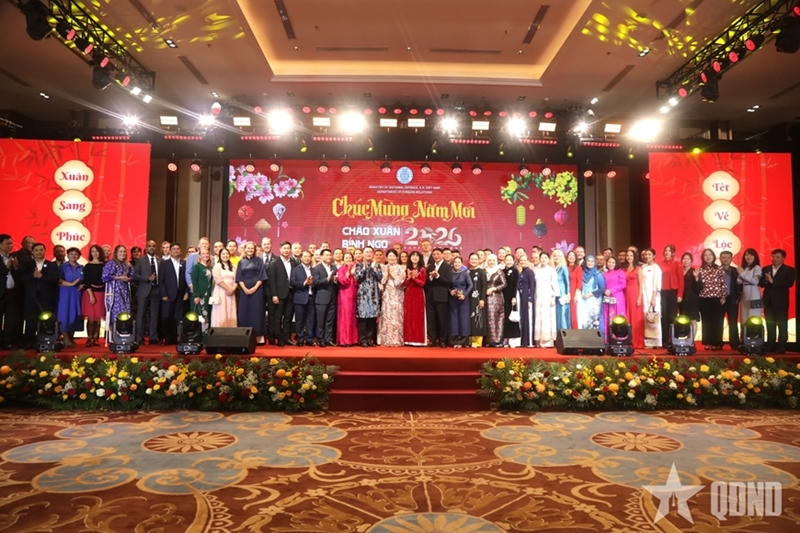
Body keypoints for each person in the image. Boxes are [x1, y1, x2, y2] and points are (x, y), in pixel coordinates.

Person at [21, 243, 60, 349]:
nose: (39, 252)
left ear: (45, 251)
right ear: (32, 252)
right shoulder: (27, 264)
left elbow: (55, 279)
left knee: (46, 321)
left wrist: (42, 276)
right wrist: (33, 276)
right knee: (30, 320)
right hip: (31, 298)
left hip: (46, 298)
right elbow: (22, 279)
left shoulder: (51, 265)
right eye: (36, 250)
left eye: (41, 250)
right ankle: (29, 342)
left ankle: (46, 342)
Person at [760, 248, 796, 354]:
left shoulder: (789, 270)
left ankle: (782, 346)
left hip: (781, 302)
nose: (774, 259)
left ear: (783, 258)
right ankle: (770, 345)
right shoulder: (766, 269)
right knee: (770, 324)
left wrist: (773, 281)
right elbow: (761, 283)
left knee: (782, 324)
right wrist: (766, 281)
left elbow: (789, 283)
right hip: (768, 301)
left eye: (777, 257)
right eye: (773, 257)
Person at [236, 242, 268, 344]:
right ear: (245, 249)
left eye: (252, 248)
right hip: (244, 291)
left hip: (257, 291)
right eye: (248, 248)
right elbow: (239, 277)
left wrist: (255, 287)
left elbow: (262, 276)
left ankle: (259, 337)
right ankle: (244, 336)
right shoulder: (241, 262)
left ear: (254, 250)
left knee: (257, 312)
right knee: (244, 312)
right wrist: (244, 289)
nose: (250, 250)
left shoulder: (259, 261)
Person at [102, 245, 135, 342]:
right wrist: (119, 278)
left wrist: (128, 279)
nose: (122, 253)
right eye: (120, 251)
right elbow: (104, 277)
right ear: (116, 253)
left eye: (124, 251)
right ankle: (113, 336)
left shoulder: (127, 264)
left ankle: (124, 335)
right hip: (114, 291)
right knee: (116, 313)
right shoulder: (110, 264)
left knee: (126, 312)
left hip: (125, 292)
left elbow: (132, 277)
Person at [697, 248, 727, 350]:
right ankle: (707, 342)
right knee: (706, 321)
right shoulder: (700, 269)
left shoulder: (719, 268)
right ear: (703, 257)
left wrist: (723, 296)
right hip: (703, 298)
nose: (708, 257)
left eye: (710, 255)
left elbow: (723, 283)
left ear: (713, 257)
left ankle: (715, 342)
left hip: (716, 298)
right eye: (705, 255)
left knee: (716, 321)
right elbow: (698, 285)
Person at [268, 241, 297, 346]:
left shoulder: (294, 262)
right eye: (284, 248)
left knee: (288, 317)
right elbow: (272, 281)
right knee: (278, 318)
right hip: (279, 294)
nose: (286, 250)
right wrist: (274, 295)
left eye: (288, 248)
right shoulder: (274, 263)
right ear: (280, 249)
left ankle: (286, 337)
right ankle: (278, 338)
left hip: (291, 293)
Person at [158, 242, 188, 345]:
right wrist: (163, 294)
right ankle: (168, 337)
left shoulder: (184, 263)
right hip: (168, 295)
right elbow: (161, 280)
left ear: (181, 251)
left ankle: (176, 337)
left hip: (181, 295)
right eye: (174, 249)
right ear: (170, 251)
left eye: (178, 249)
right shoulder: (164, 263)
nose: (176, 251)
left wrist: (187, 292)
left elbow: (187, 279)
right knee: (166, 317)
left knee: (178, 317)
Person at [354, 246, 383, 347]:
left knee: (372, 317)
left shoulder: (377, 265)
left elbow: (380, 278)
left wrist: (374, 269)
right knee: (363, 317)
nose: (368, 254)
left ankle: (369, 339)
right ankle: (363, 340)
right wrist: (364, 268)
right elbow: (358, 277)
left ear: (373, 254)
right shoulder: (359, 265)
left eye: (370, 252)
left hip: (374, 295)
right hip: (363, 295)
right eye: (366, 252)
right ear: (363, 254)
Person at [134, 240, 161, 345]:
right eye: (149, 246)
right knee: (141, 315)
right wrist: (147, 278)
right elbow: (135, 275)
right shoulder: (140, 260)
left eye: (153, 246)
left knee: (154, 315)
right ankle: (140, 338)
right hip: (143, 290)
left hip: (156, 290)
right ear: (146, 247)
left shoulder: (160, 260)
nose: (151, 247)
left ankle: (153, 337)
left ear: (156, 247)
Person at [378, 249, 405, 347]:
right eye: (390, 256)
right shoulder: (383, 267)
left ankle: (397, 339)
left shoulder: (401, 268)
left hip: (397, 294)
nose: (392, 258)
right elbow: (381, 282)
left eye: (393, 256)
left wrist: (392, 275)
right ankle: (386, 339)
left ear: (397, 257)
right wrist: (385, 275)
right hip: (387, 294)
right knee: (387, 315)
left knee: (397, 316)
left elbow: (400, 282)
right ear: (387, 257)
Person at [57, 247, 84, 348]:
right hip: (65, 293)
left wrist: (83, 285)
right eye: (71, 254)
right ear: (67, 255)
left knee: (75, 315)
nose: (73, 256)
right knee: (65, 315)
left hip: (77, 293)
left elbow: (84, 280)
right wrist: (71, 284)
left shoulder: (81, 267)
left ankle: (71, 338)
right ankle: (65, 339)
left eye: (76, 254)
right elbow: (58, 280)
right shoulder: (63, 267)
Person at [425, 248, 452, 348]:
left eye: (438, 254)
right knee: (431, 320)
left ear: (442, 255)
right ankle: (432, 340)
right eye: (434, 254)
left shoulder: (447, 266)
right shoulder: (430, 266)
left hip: (441, 297)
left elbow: (448, 281)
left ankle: (442, 340)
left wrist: (437, 276)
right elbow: (426, 281)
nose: (436, 256)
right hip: (430, 296)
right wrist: (431, 277)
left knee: (442, 320)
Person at [659, 244, 684, 347]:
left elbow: (681, 280)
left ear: (673, 253)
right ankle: (664, 340)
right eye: (666, 250)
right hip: (662, 292)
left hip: (673, 292)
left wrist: (680, 294)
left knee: (672, 316)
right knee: (663, 316)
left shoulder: (677, 264)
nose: (667, 252)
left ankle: (673, 339)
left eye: (669, 251)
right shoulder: (659, 264)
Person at [312, 248, 338, 347]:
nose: (329, 257)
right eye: (326, 255)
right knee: (320, 320)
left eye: (330, 255)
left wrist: (335, 280)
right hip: (321, 298)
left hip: (332, 297)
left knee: (329, 320)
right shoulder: (316, 268)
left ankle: (328, 339)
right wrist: (327, 279)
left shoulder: (334, 267)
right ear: (321, 257)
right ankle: (321, 339)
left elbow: (335, 283)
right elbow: (316, 282)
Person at [290, 250, 316, 346]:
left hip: (312, 297)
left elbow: (317, 282)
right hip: (300, 298)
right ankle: (300, 338)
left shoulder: (314, 270)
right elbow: (292, 282)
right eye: (305, 256)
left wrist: (313, 283)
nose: (307, 258)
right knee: (299, 320)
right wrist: (304, 283)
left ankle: (309, 339)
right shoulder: (296, 269)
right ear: (301, 258)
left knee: (310, 320)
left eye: (309, 256)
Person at [82, 245, 106, 347]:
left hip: (102, 292)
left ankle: (96, 339)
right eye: (93, 251)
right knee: (91, 318)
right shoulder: (88, 266)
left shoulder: (105, 265)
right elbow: (86, 281)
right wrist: (91, 295)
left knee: (98, 318)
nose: (95, 253)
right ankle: (89, 338)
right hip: (90, 293)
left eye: (97, 251)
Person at [534, 252, 559, 348]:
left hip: (548, 296)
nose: (543, 259)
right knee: (539, 317)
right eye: (542, 258)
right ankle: (539, 340)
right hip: (538, 296)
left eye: (545, 258)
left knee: (547, 318)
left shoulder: (551, 270)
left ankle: (547, 341)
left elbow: (555, 284)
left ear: (548, 259)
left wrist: (553, 297)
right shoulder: (537, 270)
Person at [0, 234, 20, 350]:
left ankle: (8, 342)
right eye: (7, 243)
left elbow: (19, 275)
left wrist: (16, 267)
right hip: (1, 293)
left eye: (11, 243)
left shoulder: (13, 257)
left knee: (11, 319)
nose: (10, 246)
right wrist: (6, 268)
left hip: (12, 293)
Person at [403, 251, 427, 346]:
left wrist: (414, 278)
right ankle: (408, 339)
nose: (415, 257)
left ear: (420, 258)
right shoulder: (407, 269)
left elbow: (422, 283)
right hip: (409, 295)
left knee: (418, 317)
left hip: (418, 294)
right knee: (409, 316)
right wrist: (408, 278)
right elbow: (405, 284)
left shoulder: (422, 270)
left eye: (417, 256)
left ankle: (419, 340)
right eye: (413, 256)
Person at [447, 256, 473, 347]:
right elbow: (447, 285)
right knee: (453, 319)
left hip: (463, 299)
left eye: (458, 262)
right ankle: (453, 341)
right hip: (453, 299)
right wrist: (450, 291)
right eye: (455, 262)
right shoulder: (450, 274)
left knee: (463, 319)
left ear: (462, 264)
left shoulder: (465, 274)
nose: (457, 264)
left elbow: (470, 285)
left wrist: (465, 295)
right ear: (453, 264)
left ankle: (463, 342)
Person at [576, 255, 605, 334]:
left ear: (595, 263)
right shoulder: (582, 273)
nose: (590, 263)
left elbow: (602, 288)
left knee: (594, 320)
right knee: (584, 319)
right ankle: (585, 338)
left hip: (594, 300)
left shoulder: (598, 274)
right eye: (588, 261)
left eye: (592, 261)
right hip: (583, 300)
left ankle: (595, 338)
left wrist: (590, 294)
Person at [623, 249, 645, 349]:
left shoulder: (638, 268)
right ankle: (627, 340)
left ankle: (636, 341)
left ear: (634, 257)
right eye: (627, 255)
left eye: (631, 255)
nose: (629, 257)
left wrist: (639, 297)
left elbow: (641, 284)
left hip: (635, 294)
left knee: (635, 318)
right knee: (626, 317)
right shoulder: (623, 269)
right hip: (625, 294)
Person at [641, 248, 663, 348]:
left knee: (653, 317)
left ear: (654, 256)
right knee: (645, 316)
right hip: (644, 294)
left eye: (649, 254)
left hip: (652, 294)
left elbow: (657, 284)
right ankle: (647, 341)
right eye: (646, 254)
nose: (647, 256)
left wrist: (653, 298)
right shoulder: (643, 266)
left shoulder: (656, 268)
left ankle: (656, 342)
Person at [602, 256, 627, 341]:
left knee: (617, 316)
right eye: (609, 262)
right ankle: (608, 338)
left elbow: (623, 284)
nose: (611, 264)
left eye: (613, 262)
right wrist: (605, 291)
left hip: (617, 297)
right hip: (607, 297)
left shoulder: (620, 272)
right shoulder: (604, 274)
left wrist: (611, 290)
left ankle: (619, 338)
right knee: (607, 316)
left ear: (616, 263)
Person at [336, 252, 359, 346]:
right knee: (345, 316)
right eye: (346, 258)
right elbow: (343, 281)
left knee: (354, 317)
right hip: (345, 294)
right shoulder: (341, 269)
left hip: (355, 294)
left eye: (350, 258)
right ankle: (345, 340)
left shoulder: (356, 267)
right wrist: (349, 272)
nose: (348, 259)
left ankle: (354, 340)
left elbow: (359, 281)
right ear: (343, 259)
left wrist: (354, 274)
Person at [719, 251, 740, 349]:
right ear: (720, 259)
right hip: (720, 299)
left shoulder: (736, 271)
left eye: (728, 257)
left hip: (732, 299)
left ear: (731, 259)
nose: (726, 259)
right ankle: (718, 342)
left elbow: (739, 286)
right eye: (723, 257)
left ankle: (734, 342)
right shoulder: (716, 270)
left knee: (733, 321)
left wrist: (738, 297)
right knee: (719, 321)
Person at [211, 248, 238, 327]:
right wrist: (228, 289)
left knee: (230, 311)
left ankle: (231, 330)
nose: (225, 255)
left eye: (227, 254)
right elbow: (218, 280)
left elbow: (237, 279)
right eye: (223, 254)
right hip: (221, 291)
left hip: (231, 293)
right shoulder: (217, 266)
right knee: (221, 311)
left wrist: (233, 289)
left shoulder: (233, 266)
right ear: (220, 255)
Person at [191, 248, 214, 339]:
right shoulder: (197, 266)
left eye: (207, 253)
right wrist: (196, 295)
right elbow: (194, 281)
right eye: (203, 254)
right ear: (199, 255)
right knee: (201, 316)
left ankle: (206, 336)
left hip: (208, 294)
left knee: (207, 315)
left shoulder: (209, 267)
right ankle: (199, 338)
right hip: (200, 294)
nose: (205, 255)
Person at [484, 254, 507, 347]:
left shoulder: (499, 271)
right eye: (490, 260)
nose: (491, 262)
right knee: (487, 319)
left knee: (497, 319)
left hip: (496, 298)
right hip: (486, 297)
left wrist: (494, 288)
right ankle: (489, 340)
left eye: (493, 260)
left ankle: (498, 340)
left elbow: (504, 284)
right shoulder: (484, 271)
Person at [679, 252, 701, 342]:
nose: (686, 261)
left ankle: (691, 340)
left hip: (692, 299)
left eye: (688, 259)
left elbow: (699, 287)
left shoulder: (694, 271)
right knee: (684, 319)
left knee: (692, 320)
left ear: (691, 261)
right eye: (684, 259)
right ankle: (686, 338)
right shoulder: (679, 271)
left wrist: (696, 278)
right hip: (682, 298)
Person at [737, 248, 763, 321]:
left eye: (751, 255)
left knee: (753, 315)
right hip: (744, 294)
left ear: (755, 257)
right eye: (747, 255)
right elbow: (739, 281)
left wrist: (742, 274)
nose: (749, 257)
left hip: (754, 294)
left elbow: (755, 281)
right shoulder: (745, 268)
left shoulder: (757, 267)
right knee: (744, 315)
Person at [502, 255, 521, 347]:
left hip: (512, 296)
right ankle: (506, 338)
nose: (508, 262)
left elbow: (515, 285)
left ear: (513, 261)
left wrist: (514, 297)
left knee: (512, 317)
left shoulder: (515, 271)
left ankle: (513, 340)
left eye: (510, 260)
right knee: (505, 317)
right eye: (507, 260)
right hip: (503, 296)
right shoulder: (502, 271)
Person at [518, 255, 536, 347]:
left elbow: (532, 286)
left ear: (528, 261)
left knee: (528, 319)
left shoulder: (530, 272)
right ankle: (523, 341)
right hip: (521, 297)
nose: (523, 262)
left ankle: (529, 341)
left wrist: (530, 299)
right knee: (523, 318)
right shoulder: (521, 272)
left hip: (527, 297)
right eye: (521, 260)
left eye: (524, 260)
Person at [551, 249, 571, 332]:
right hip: (553, 293)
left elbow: (567, 281)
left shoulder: (563, 268)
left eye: (559, 256)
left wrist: (568, 294)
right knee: (555, 313)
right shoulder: (552, 268)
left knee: (562, 313)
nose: (557, 257)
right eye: (555, 256)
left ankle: (564, 333)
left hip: (562, 292)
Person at [567, 250, 582, 329]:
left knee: (573, 313)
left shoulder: (578, 268)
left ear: (576, 258)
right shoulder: (564, 267)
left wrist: (576, 295)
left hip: (574, 292)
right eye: (570, 255)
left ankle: (574, 331)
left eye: (573, 256)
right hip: (566, 292)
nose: (571, 257)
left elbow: (579, 282)